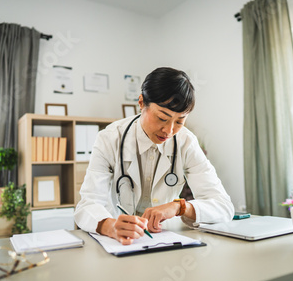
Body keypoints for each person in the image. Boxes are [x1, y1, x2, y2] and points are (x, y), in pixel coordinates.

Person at [74, 67, 234, 244]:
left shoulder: (186, 142)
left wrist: (179, 207)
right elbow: (87, 205)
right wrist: (110, 226)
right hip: (118, 242)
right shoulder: (110, 139)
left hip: (164, 239)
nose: (169, 130)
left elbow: (223, 207)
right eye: (162, 118)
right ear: (141, 103)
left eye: (180, 121)